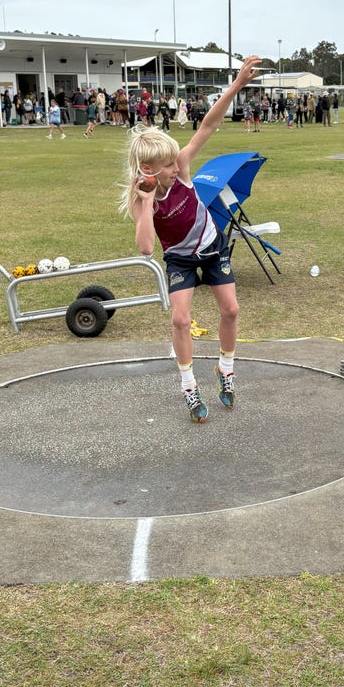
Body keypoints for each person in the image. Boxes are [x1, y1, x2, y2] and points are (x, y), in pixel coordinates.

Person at [120, 55, 262, 424]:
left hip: (213, 249)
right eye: (167, 165)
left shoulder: (181, 168)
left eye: (174, 162)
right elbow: (147, 248)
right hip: (180, 260)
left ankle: (225, 371)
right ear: (147, 170)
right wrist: (148, 202)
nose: (177, 166)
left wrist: (236, 86)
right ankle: (189, 386)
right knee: (180, 320)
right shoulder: (142, 198)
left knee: (231, 309)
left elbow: (208, 127)